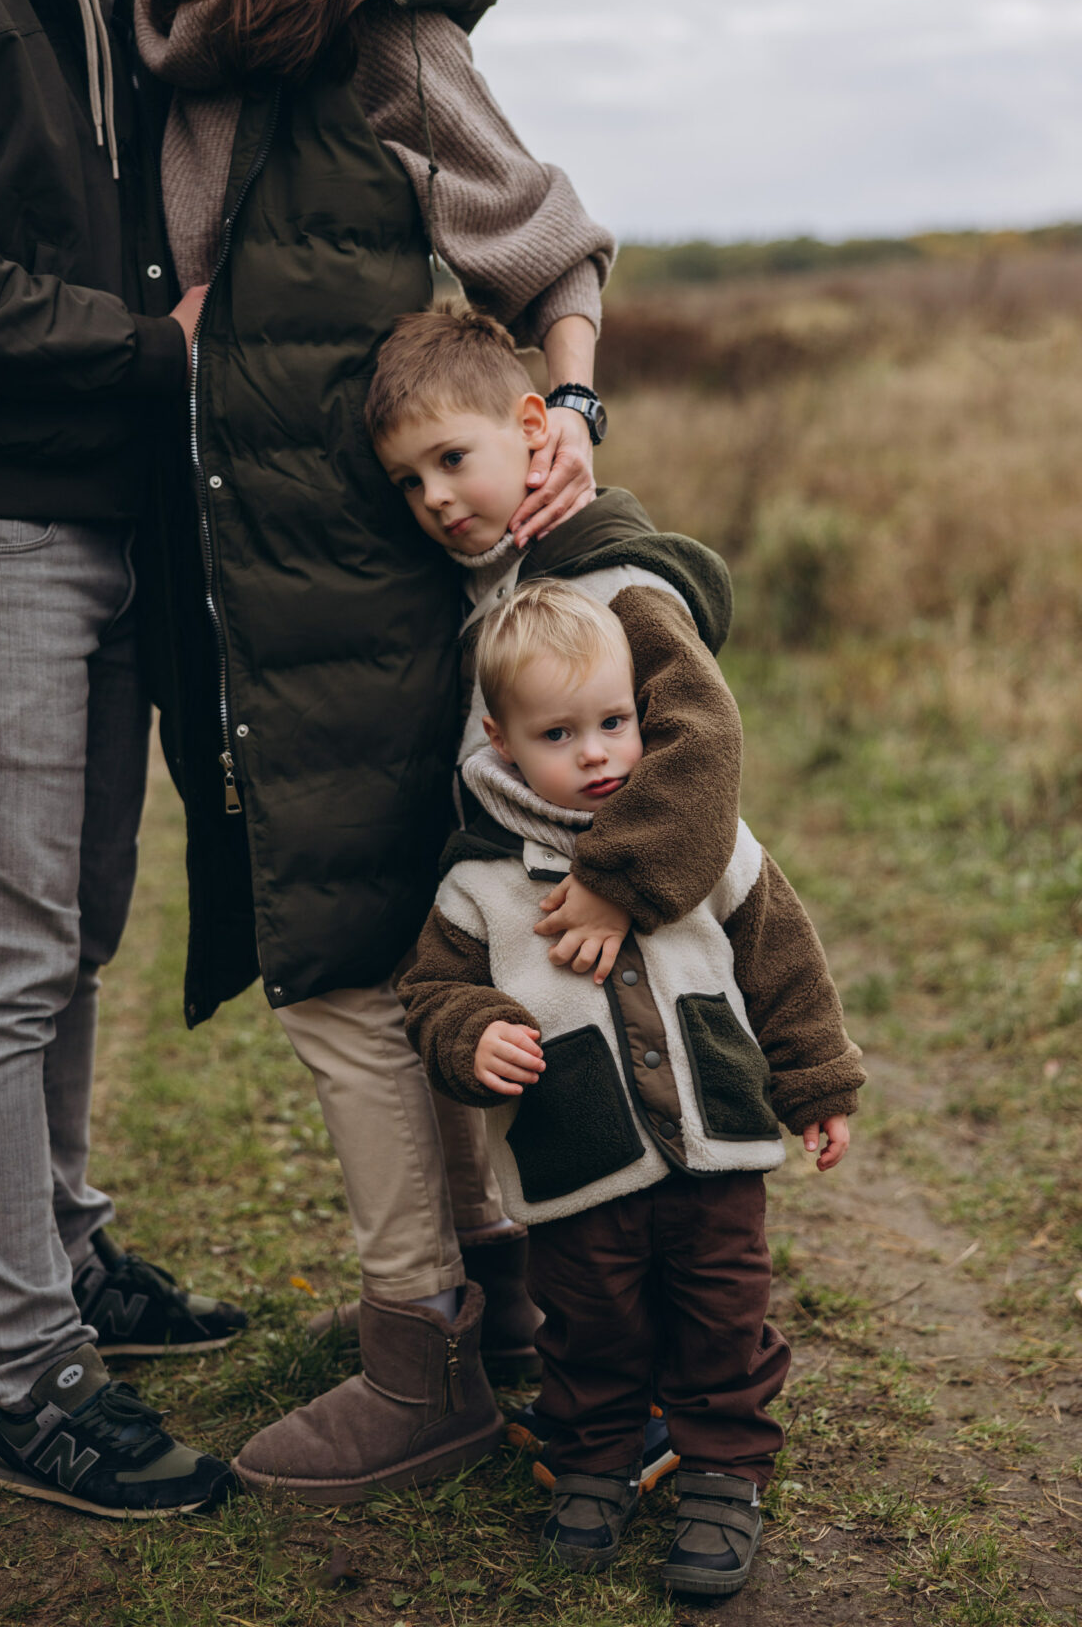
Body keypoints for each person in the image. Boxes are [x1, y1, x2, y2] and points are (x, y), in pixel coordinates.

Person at [113, 0, 618, 1501]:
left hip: (382, 601)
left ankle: (422, 1358)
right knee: (388, 950)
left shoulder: (385, 32)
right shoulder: (126, 21)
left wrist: (570, 408)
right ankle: (497, 1297)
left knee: (347, 977)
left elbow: (545, 241)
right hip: (222, 601)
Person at [0, 0, 241, 1517]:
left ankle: (69, 1253)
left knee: (78, 928)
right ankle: (29, 1384)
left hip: (98, 506)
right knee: (4, 955)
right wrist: (149, 351)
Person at [400, 582, 866, 1597]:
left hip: (716, 1149)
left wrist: (818, 1082)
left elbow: (785, 967)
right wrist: (473, 1034)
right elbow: (431, 994)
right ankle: (593, 1464)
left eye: (615, 722)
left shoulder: (711, 845)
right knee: (588, 1324)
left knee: (724, 1315)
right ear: (501, 741)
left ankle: (723, 1473)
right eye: (559, 734)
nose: (598, 754)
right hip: (577, 1163)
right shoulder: (479, 884)